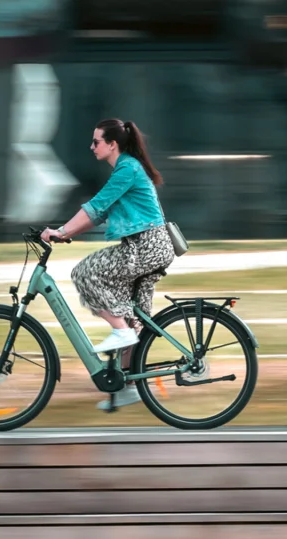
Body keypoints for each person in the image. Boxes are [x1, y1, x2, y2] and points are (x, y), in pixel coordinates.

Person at [40, 118, 175, 411]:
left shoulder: (126, 168)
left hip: (146, 246)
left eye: (96, 141)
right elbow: (98, 215)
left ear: (112, 144)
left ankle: (120, 330)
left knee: (84, 272)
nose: (91, 147)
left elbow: (96, 206)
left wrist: (60, 232)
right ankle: (128, 387)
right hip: (150, 247)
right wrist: (66, 234)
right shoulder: (126, 169)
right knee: (132, 318)